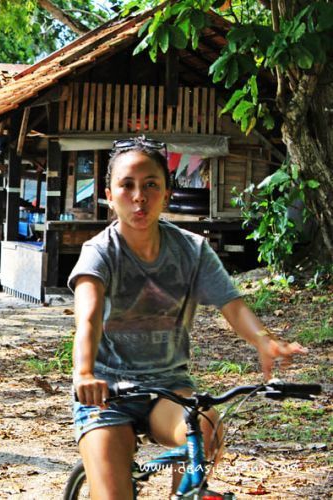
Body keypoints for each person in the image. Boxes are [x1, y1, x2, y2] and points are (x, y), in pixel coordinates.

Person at [68, 137, 306, 498]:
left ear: (166, 193)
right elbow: (87, 318)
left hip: (169, 388)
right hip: (107, 394)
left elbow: (232, 304)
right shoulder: (99, 253)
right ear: (109, 193)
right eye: (127, 185)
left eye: (151, 185)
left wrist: (264, 339)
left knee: (205, 424)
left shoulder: (191, 250)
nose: (139, 197)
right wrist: (84, 373)